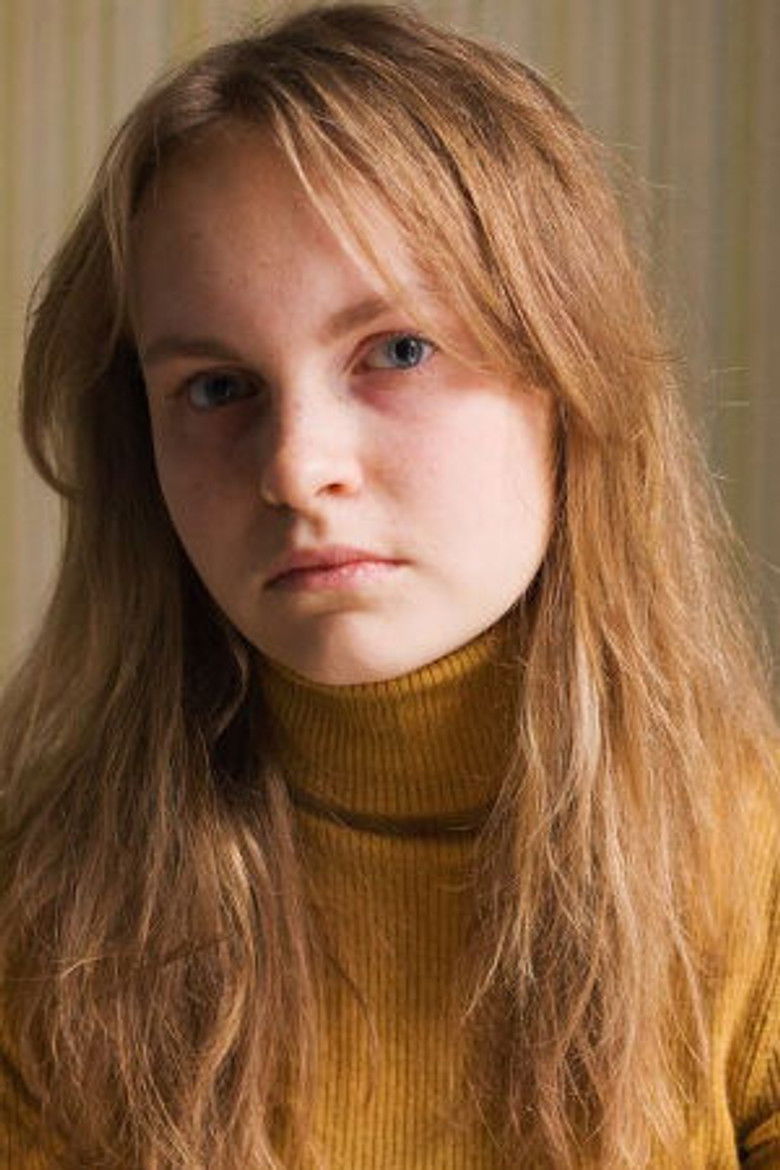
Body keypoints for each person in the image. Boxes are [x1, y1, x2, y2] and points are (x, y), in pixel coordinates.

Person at [0, 3, 778, 1168]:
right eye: (217, 388)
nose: (296, 468)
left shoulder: (755, 879)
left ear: (569, 379)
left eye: (399, 351)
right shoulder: (43, 915)